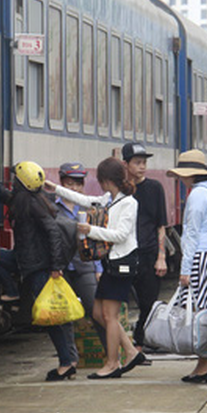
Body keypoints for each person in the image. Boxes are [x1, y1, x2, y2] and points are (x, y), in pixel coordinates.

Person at [46, 157, 145, 379]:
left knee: (109, 316)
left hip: (123, 262)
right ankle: (129, 352)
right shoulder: (109, 199)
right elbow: (85, 199)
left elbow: (120, 235)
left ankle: (112, 364)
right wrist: (57, 189)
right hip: (113, 263)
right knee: (98, 313)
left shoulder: (129, 203)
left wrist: (90, 230)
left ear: (106, 180)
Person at [0, 162, 76, 381]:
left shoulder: (32, 205)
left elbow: (53, 233)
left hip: (39, 267)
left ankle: (65, 364)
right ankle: (68, 361)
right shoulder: (28, 199)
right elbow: (7, 196)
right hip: (28, 261)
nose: (12, 182)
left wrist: (56, 267)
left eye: (15, 179)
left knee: (51, 317)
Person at [167, 150, 207, 383]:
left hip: (200, 257)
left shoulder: (196, 196)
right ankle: (205, 362)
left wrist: (185, 269)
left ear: (187, 175)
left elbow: (191, 235)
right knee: (206, 312)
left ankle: (206, 363)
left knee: (199, 312)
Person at [54, 162, 108, 368]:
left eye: (78, 184)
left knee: (96, 311)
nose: (74, 188)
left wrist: (99, 269)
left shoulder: (87, 208)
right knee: (64, 315)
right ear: (61, 183)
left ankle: (110, 356)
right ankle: (70, 359)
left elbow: (96, 241)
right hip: (62, 269)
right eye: (69, 183)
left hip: (85, 267)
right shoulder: (53, 209)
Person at [122, 142, 168, 352]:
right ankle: (125, 345)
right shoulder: (121, 190)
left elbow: (161, 226)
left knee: (148, 303)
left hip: (149, 253)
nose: (142, 167)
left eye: (144, 163)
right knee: (119, 302)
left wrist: (162, 257)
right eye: (137, 162)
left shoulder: (154, 188)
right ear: (126, 164)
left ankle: (140, 343)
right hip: (124, 255)